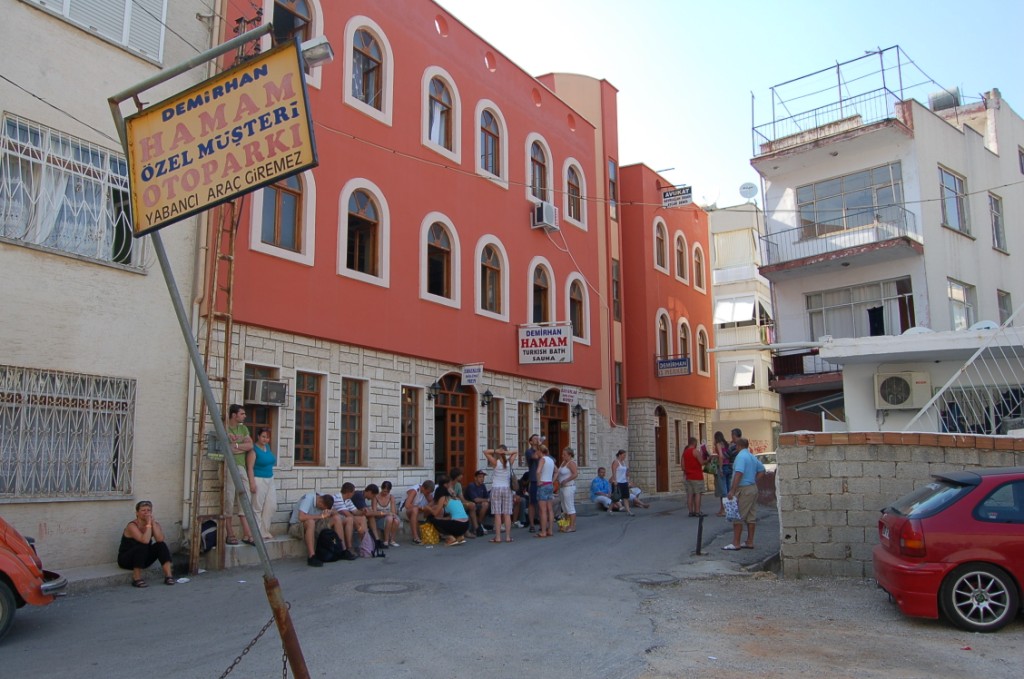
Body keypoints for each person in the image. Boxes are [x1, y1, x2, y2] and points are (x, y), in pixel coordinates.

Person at [118, 500, 175, 587]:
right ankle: (136, 578)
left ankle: (168, 576)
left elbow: (160, 539)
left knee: (161, 545)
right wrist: (148, 524)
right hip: (127, 560)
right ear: (137, 513)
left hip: (143, 559)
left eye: (148, 510)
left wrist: (153, 524)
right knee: (142, 545)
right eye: (143, 510)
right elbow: (144, 540)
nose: (146, 513)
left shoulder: (154, 524)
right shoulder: (132, 526)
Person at [723, 437, 766, 551]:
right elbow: (762, 470)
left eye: (735, 446)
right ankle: (749, 541)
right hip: (752, 488)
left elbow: (739, 473)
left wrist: (732, 490)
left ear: (739, 446)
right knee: (751, 516)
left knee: (738, 516)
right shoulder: (751, 456)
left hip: (743, 489)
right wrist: (753, 480)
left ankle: (736, 543)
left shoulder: (741, 457)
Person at [289, 492, 355, 566]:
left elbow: (334, 511)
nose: (322, 510)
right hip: (297, 525)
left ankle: (343, 550)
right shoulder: (308, 499)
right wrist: (321, 516)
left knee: (336, 518)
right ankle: (311, 556)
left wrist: (331, 512)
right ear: (320, 503)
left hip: (316, 523)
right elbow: (301, 517)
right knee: (310, 522)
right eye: (322, 508)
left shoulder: (324, 497)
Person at [224, 404, 255, 546]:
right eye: (242, 414)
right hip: (228, 466)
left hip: (241, 466)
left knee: (245, 496)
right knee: (229, 498)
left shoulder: (243, 429)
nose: (244, 416)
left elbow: (250, 446)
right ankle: (229, 533)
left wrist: (236, 446)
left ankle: (247, 533)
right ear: (234, 415)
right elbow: (226, 448)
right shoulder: (225, 428)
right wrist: (241, 446)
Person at [484, 445, 518, 543]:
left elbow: (485, 451)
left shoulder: (495, 462)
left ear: (498, 453)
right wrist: (507, 453)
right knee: (507, 514)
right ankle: (508, 537)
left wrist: (496, 450)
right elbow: (516, 451)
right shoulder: (509, 462)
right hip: (507, 489)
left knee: (497, 514)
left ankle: (498, 537)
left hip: (496, 488)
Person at [249, 428, 277, 540]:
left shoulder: (267, 447)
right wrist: (252, 482)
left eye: (267, 437)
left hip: (270, 478)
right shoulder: (253, 450)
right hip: (258, 479)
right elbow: (250, 467)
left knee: (271, 506)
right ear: (258, 436)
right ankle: (255, 533)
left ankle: (264, 531)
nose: (265, 439)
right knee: (257, 506)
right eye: (263, 436)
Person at [422, 479, 470, 545]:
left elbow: (435, 513)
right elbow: (451, 517)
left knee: (433, 520)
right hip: (466, 525)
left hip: (458, 525)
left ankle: (451, 538)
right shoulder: (456, 498)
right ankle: (460, 536)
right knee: (443, 521)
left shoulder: (443, 498)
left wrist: (428, 508)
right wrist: (442, 519)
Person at [333, 482, 369, 552]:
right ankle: (349, 547)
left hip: (343, 518)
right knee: (350, 519)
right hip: (336, 519)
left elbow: (355, 512)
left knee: (362, 518)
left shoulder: (348, 500)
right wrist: (359, 527)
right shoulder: (337, 498)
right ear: (348, 492)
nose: (353, 494)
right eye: (353, 492)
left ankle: (365, 545)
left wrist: (363, 512)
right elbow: (347, 514)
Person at [403, 479, 435, 544]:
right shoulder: (414, 490)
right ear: (423, 487)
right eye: (427, 492)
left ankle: (436, 534)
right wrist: (421, 508)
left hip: (418, 511)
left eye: (429, 493)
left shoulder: (425, 491)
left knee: (437, 508)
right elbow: (407, 505)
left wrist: (427, 507)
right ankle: (415, 537)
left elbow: (433, 502)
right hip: (405, 510)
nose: (428, 494)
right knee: (415, 509)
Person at [449, 468, 479, 539]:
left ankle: (476, 528)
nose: (462, 476)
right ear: (457, 476)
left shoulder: (458, 485)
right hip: (449, 505)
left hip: (458, 503)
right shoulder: (448, 485)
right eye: (461, 475)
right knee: (460, 508)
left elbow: (462, 498)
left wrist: (468, 503)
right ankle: (466, 532)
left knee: (472, 505)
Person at [682, 437, 707, 517]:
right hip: (697, 476)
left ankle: (690, 511)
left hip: (688, 476)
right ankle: (697, 511)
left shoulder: (685, 452)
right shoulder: (695, 452)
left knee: (690, 495)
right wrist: (709, 459)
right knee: (697, 494)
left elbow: (683, 466)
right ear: (694, 443)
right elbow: (702, 462)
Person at [535, 444, 556, 537]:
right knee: (550, 509)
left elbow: (538, 471)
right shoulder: (551, 460)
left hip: (543, 485)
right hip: (549, 484)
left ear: (540, 451)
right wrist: (552, 481)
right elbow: (556, 471)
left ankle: (543, 531)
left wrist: (538, 481)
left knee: (543, 510)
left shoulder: (542, 459)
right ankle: (550, 530)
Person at [372, 480, 401, 547]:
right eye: (384, 491)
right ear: (381, 488)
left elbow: (393, 512)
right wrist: (386, 513)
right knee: (390, 518)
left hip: (389, 516)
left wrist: (391, 514)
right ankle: (386, 540)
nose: (385, 493)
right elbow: (374, 513)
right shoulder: (375, 497)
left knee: (396, 520)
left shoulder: (391, 497)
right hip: (379, 518)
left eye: (387, 491)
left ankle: (392, 540)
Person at [556, 447, 579, 532]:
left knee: (570, 506)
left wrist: (566, 480)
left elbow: (575, 474)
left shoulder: (571, 463)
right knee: (564, 507)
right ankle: (567, 524)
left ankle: (572, 526)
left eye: (564, 455)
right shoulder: (563, 463)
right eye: (562, 454)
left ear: (569, 455)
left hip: (568, 487)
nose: (562, 456)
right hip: (562, 488)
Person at [464, 469, 492, 537]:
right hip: (471, 505)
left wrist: (489, 499)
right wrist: (487, 500)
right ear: (475, 478)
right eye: (480, 477)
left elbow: (487, 496)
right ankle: (479, 525)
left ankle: (498, 525)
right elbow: (475, 500)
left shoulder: (483, 486)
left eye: (483, 477)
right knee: (485, 504)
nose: (482, 479)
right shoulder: (471, 485)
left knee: (491, 503)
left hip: (479, 505)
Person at [525, 434, 541, 532]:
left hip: (542, 479)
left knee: (541, 503)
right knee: (532, 503)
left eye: (537, 438)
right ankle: (531, 525)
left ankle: (542, 523)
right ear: (530, 442)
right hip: (534, 479)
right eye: (535, 438)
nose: (537, 439)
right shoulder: (529, 451)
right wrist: (540, 446)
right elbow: (535, 457)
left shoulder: (541, 450)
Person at [610, 449, 634, 516]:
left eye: (625, 455)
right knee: (615, 498)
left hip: (624, 482)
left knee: (625, 497)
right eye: (623, 455)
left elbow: (625, 473)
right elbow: (614, 472)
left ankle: (628, 511)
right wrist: (615, 480)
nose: (624, 456)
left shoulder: (623, 463)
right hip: (618, 482)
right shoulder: (616, 462)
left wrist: (627, 481)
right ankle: (609, 509)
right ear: (620, 455)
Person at [712, 431, 729, 516]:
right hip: (728, 466)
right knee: (728, 489)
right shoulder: (726, 444)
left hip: (722, 466)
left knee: (723, 490)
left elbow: (721, 456)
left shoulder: (718, 444)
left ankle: (724, 510)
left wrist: (721, 468)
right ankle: (726, 509)